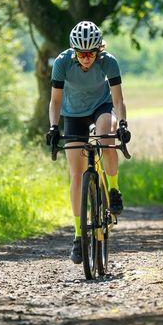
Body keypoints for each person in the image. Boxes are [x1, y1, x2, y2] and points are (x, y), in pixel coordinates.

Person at [45, 21, 131, 264]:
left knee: (106, 136)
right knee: (75, 173)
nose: (85, 59)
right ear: (74, 51)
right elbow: (55, 102)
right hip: (72, 114)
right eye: (81, 54)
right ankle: (78, 235)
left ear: (98, 50)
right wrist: (53, 126)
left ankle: (113, 190)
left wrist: (122, 123)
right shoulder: (62, 63)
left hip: (101, 107)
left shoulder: (109, 62)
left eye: (90, 53)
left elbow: (118, 99)